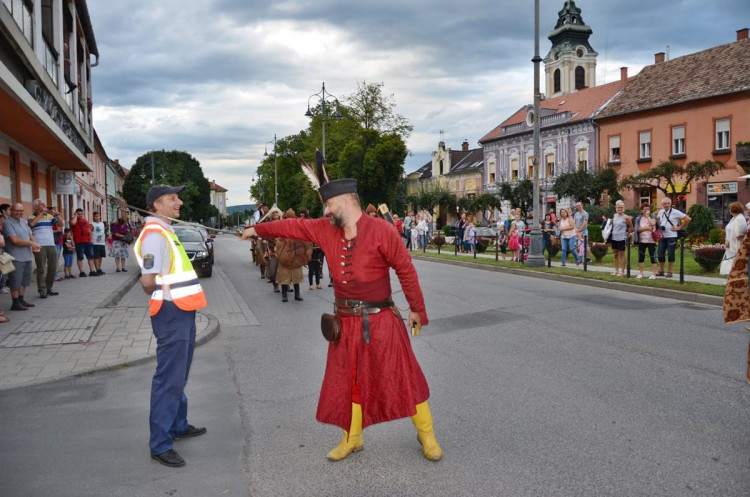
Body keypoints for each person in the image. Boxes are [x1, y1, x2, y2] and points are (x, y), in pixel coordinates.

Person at [241, 178, 442, 462]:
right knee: (351, 382)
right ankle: (353, 438)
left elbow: (406, 271)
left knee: (405, 377)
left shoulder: (382, 231)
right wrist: (256, 229)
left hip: (382, 320)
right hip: (345, 323)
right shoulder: (325, 230)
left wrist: (416, 309)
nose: (325, 211)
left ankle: (427, 434)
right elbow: (292, 227)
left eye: (329, 204)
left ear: (348, 201)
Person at [134, 185, 208, 468]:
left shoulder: (166, 231)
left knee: (179, 374)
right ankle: (160, 443)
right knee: (169, 379)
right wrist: (161, 297)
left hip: (181, 310)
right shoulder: (154, 235)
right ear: (156, 205)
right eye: (173, 198)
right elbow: (147, 280)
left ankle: (178, 424)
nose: (180, 202)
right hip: (171, 312)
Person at [2, 203, 40, 310]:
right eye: (16, 210)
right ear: (11, 210)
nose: (19, 213)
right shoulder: (7, 223)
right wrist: (31, 243)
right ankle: (15, 303)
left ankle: (21, 299)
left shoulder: (24, 222)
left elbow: (30, 235)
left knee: (24, 281)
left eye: (21, 210)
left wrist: (35, 244)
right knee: (15, 281)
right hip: (15, 257)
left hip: (27, 257)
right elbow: (15, 240)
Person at [275, 208, 312, 303]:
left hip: (296, 255)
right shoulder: (282, 226)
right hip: (285, 254)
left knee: (296, 276)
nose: (290, 219)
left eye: (292, 217)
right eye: (289, 217)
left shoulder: (298, 226)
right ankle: (284, 295)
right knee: (284, 276)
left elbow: (303, 238)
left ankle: (297, 294)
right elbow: (279, 240)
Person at [28, 199, 60, 298]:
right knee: (41, 268)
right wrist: (41, 214)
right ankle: (42, 290)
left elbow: (61, 224)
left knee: (53, 267)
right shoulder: (31, 217)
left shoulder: (50, 217)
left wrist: (57, 214)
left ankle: (49, 288)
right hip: (39, 245)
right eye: (42, 204)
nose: (44, 205)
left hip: (51, 244)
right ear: (36, 207)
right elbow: (31, 224)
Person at [656, 197, 691, 278]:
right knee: (660, 253)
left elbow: (688, 219)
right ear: (662, 204)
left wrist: (679, 227)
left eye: (668, 203)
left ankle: (670, 271)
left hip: (672, 236)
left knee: (671, 254)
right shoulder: (661, 212)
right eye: (665, 203)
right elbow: (658, 221)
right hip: (662, 236)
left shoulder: (675, 212)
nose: (667, 205)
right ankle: (661, 271)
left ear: (671, 204)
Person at [720, 202, 748, 276]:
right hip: (730, 244)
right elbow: (729, 231)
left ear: (733, 210)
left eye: (730, 209)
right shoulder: (733, 218)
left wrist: (730, 241)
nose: (729, 211)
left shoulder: (739, 218)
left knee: (734, 262)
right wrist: (727, 241)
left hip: (735, 245)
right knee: (729, 262)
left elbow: (739, 234)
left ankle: (733, 277)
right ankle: (730, 277)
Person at [633, 203, 658, 279]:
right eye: (645, 209)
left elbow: (653, 224)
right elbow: (637, 229)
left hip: (651, 240)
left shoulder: (653, 216)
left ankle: (653, 274)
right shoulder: (638, 218)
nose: (647, 210)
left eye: (648, 209)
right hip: (642, 240)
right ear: (641, 210)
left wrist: (648, 217)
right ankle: (641, 273)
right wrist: (647, 228)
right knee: (641, 257)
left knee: (653, 257)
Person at [70, 208, 97, 277]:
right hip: (79, 242)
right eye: (78, 214)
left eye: (81, 214)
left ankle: (92, 271)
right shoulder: (73, 220)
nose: (80, 215)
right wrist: (75, 216)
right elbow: (73, 223)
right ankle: (81, 272)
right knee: (80, 257)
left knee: (90, 256)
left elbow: (89, 230)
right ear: (76, 214)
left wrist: (90, 237)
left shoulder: (85, 221)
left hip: (88, 241)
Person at [610, 200, 634, 277]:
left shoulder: (626, 217)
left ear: (623, 208)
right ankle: (616, 270)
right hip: (614, 237)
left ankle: (622, 271)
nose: (620, 209)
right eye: (618, 207)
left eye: (621, 207)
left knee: (622, 255)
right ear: (616, 208)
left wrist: (627, 234)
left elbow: (631, 228)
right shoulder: (614, 216)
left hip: (621, 238)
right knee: (615, 254)